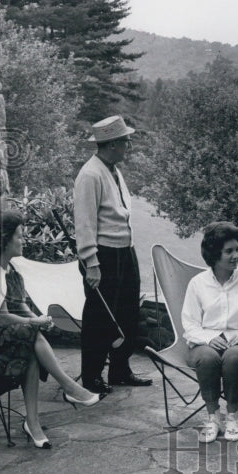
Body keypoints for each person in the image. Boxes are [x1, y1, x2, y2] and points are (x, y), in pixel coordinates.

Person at [0, 212, 101, 450]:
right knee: (28, 335)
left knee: (29, 342)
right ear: (4, 239)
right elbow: (2, 317)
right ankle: (68, 388)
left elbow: (18, 307)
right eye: (19, 236)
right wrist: (33, 324)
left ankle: (34, 422)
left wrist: (38, 319)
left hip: (1, 335)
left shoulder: (10, 271)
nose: (24, 240)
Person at [73, 115, 153, 394]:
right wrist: (91, 264)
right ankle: (92, 376)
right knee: (98, 319)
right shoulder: (90, 174)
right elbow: (84, 224)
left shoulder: (113, 170)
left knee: (129, 312)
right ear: (111, 145)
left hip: (124, 252)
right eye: (124, 141)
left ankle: (120, 369)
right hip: (103, 256)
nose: (128, 145)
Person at [181, 222, 238, 443]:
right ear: (214, 253)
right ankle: (213, 417)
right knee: (206, 357)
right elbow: (190, 323)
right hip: (205, 343)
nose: (236, 256)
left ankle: (232, 416)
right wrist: (208, 339)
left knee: (233, 357)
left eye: (237, 249)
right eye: (229, 251)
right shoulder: (198, 284)